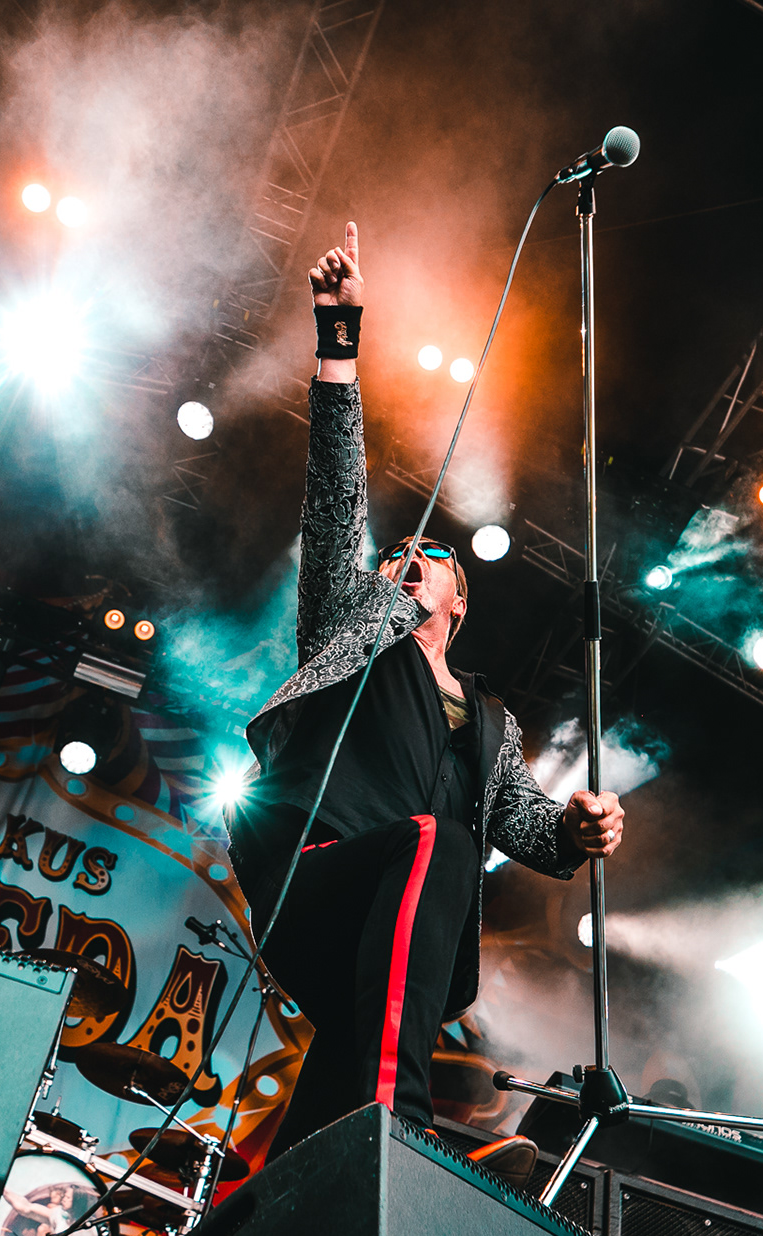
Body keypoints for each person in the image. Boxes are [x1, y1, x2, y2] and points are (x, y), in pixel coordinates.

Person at [228, 221, 626, 1161]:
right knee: (436, 843)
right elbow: (336, 495)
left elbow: (531, 829)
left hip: (408, 941)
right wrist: (338, 337)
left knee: (340, 1072)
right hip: (321, 873)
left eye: (431, 554)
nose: (408, 557)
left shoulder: (492, 720)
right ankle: (400, 1137)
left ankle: (274, 1204)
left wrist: (582, 827)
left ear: (461, 597)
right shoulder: (354, 628)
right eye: (397, 553)